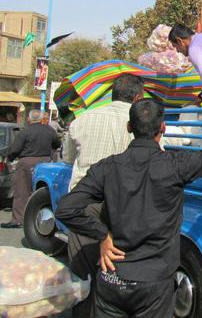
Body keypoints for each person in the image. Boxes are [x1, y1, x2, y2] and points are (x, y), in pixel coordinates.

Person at [55, 99, 202, 318]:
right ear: (163, 127)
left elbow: (66, 209)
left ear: (129, 127)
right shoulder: (176, 165)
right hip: (154, 284)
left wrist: (102, 235)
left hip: (112, 280)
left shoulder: (107, 167)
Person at [64, 74, 145, 318]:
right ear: (138, 97)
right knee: (117, 273)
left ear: (112, 93)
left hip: (82, 206)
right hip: (123, 207)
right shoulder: (141, 124)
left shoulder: (81, 120)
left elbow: (69, 159)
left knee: (82, 273)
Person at [1, 109, 61, 228]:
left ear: (29, 119)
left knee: (22, 191)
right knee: (42, 191)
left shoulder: (25, 131)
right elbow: (57, 144)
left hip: (27, 162)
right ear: (40, 119)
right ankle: (38, 218)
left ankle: (18, 220)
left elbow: (15, 149)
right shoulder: (49, 130)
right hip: (45, 162)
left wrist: (11, 158)